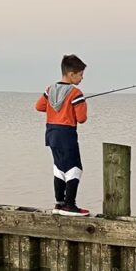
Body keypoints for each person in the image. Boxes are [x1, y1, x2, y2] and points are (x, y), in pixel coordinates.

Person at [36, 54, 90, 216]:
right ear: (71, 74)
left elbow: (39, 106)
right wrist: (82, 104)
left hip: (51, 133)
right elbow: (81, 119)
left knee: (59, 168)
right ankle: (70, 205)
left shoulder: (50, 90)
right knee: (75, 169)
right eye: (80, 74)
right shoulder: (76, 93)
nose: (82, 78)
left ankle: (59, 204)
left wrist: (55, 109)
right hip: (66, 134)